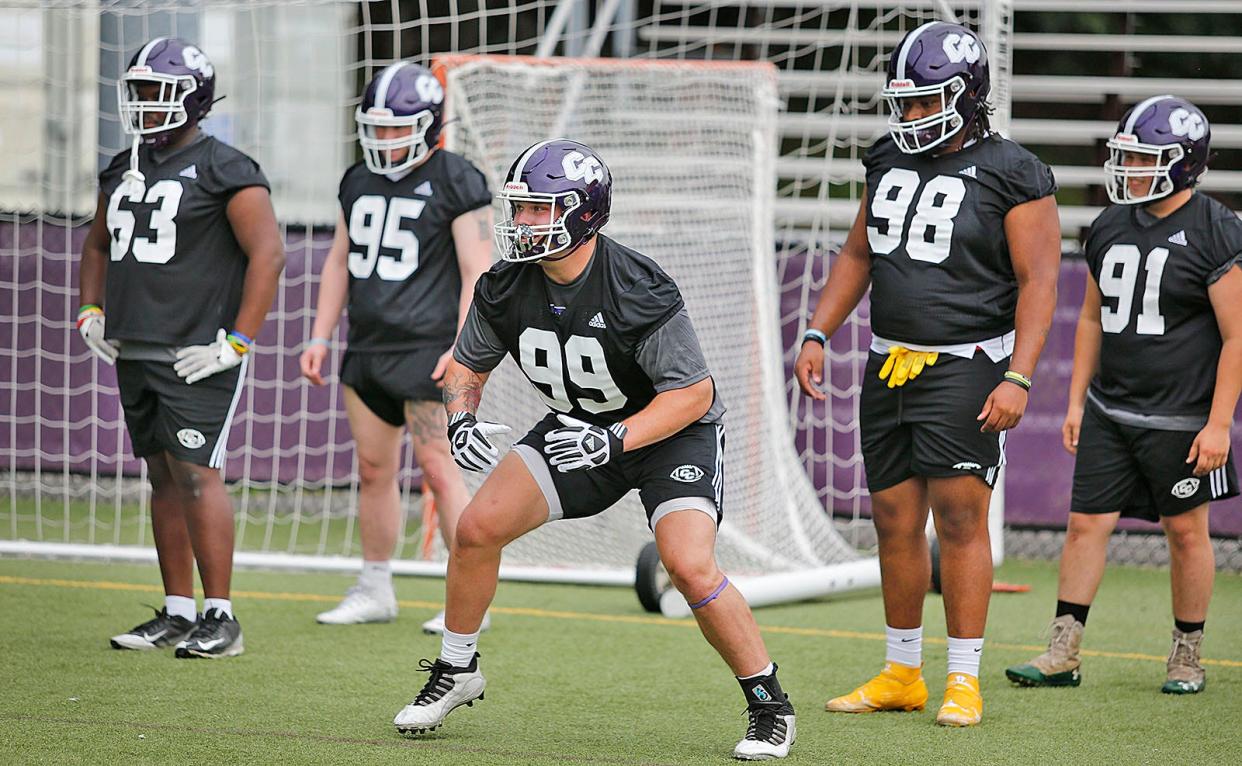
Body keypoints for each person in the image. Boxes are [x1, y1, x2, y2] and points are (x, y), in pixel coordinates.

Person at [390, 139, 796, 759]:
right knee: (476, 529)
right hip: (577, 427)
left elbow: (692, 393)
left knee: (687, 564)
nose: (521, 223)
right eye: (519, 208)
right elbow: (467, 369)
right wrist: (462, 419)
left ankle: (770, 704)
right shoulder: (504, 285)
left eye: (537, 210)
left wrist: (616, 439)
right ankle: (456, 667)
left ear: (582, 215)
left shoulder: (636, 285)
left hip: (666, 433)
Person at [794, 21, 1060, 726]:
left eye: (925, 101)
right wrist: (820, 329)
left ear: (968, 96)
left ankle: (963, 678)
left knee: (961, 517)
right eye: (904, 102)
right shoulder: (886, 157)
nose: (910, 114)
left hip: (968, 362)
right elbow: (858, 253)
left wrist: (1020, 375)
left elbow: (1039, 282)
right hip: (888, 360)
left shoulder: (1013, 169)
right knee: (891, 518)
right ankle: (902, 671)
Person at [1006, 96, 1240, 695]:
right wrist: (1079, 401)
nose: (1130, 169)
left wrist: (1218, 423)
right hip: (1113, 407)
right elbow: (1090, 319)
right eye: (1127, 157)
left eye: (1144, 158)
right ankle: (1064, 650)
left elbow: (1238, 334)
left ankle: (1186, 654)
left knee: (1186, 532)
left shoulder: (1216, 229)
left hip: (1181, 415)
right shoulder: (1110, 223)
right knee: (1085, 523)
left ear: (1182, 164)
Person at [77, 38, 284, 658]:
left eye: (156, 91)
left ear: (193, 98)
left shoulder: (228, 168)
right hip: (134, 345)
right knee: (161, 476)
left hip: (199, 350)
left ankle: (221, 617)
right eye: (136, 91)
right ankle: (175, 610)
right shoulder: (122, 165)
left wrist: (239, 342)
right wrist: (91, 309)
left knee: (197, 474)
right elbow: (95, 246)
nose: (142, 104)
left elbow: (268, 254)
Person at [300, 62, 493, 631]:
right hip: (369, 347)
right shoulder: (357, 179)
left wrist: (463, 348)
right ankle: (375, 586)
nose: (384, 138)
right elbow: (340, 260)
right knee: (373, 469)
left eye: (396, 127)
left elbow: (476, 270)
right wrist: (319, 334)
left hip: (427, 349)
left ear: (429, 126)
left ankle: (470, 599)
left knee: (439, 469)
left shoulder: (457, 178)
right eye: (376, 127)